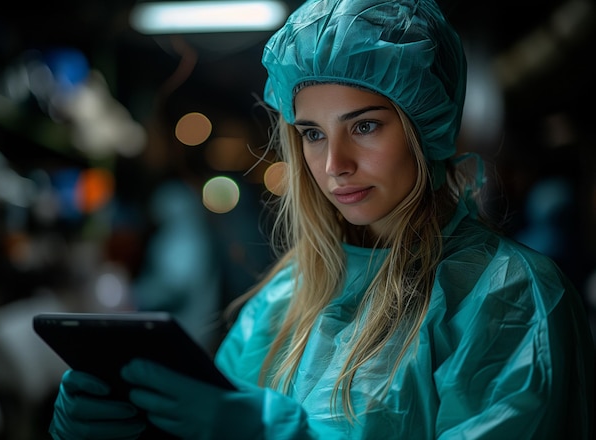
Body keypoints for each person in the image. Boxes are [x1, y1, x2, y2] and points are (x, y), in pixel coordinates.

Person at [47, 0, 595, 438]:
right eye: (312, 133)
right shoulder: (286, 297)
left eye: (363, 127)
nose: (334, 165)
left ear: (424, 129)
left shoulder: (511, 300)